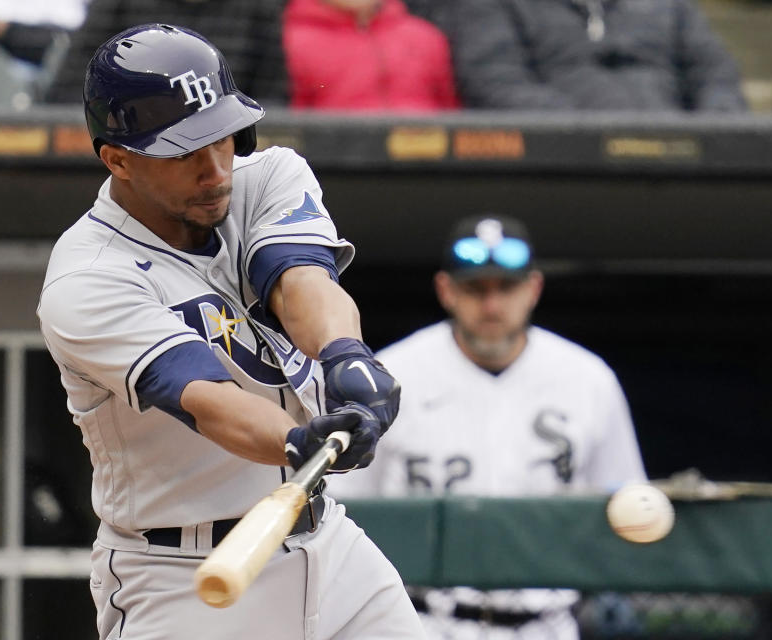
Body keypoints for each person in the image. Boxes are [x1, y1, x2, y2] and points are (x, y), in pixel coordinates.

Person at [36, 23, 424, 639]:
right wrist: (301, 441)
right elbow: (209, 400)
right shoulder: (87, 277)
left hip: (329, 541)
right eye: (184, 151)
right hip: (186, 574)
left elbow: (299, 283)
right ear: (118, 159)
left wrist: (347, 355)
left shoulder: (267, 175)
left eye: (221, 137)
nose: (216, 169)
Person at [328, 214, 647, 639]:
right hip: (419, 621)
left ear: (533, 288)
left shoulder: (588, 378)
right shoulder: (391, 375)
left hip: (546, 626)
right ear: (446, 290)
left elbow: (624, 499)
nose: (492, 305)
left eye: (507, 287)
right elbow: (345, 511)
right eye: (475, 288)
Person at [440, 0, 747, 111]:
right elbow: (496, 83)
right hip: (563, 167)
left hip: (676, 158)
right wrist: (589, 130)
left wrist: (712, 129)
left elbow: (716, 74)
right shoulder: (493, 6)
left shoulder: (669, 6)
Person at [41, 0, 289, 105]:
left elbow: (271, 102)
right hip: (133, 147)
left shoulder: (260, 7)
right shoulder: (116, 5)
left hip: (227, 153)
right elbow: (73, 90)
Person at [283, 0, 460, 111]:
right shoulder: (290, 40)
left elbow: (450, 113)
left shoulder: (426, 36)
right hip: (334, 165)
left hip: (427, 162)